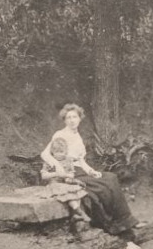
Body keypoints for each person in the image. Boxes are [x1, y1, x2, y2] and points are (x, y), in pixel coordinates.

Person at [40, 103, 140, 240]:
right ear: (64, 120)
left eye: (74, 117)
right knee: (100, 187)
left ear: (80, 119)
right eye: (68, 117)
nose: (72, 120)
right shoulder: (60, 134)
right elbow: (45, 154)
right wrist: (58, 166)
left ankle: (126, 221)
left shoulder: (78, 137)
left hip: (80, 169)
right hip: (69, 172)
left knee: (110, 177)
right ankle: (113, 225)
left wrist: (91, 171)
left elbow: (81, 160)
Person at [40, 135, 89, 222]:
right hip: (54, 184)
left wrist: (66, 176)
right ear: (52, 152)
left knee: (77, 191)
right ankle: (80, 213)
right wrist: (55, 173)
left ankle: (75, 215)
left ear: (66, 151)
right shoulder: (49, 161)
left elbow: (71, 175)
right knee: (67, 195)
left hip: (65, 183)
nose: (59, 154)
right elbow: (43, 176)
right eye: (56, 152)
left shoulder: (68, 160)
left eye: (61, 151)